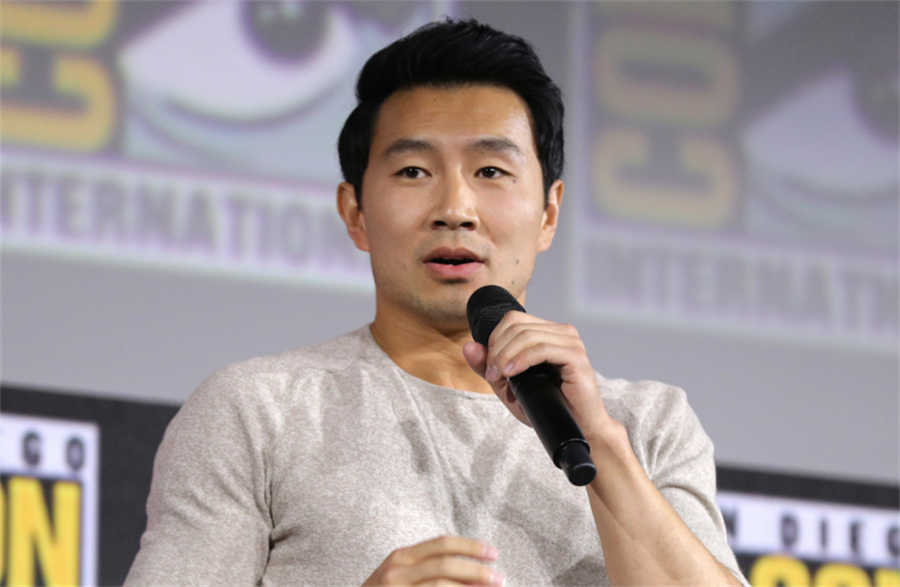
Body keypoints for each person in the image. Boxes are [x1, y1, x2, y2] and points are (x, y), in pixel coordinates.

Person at [125, 19, 747, 586]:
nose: (455, 209)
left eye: (491, 172)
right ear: (355, 213)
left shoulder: (649, 424)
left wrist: (602, 444)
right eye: (414, 172)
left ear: (549, 212)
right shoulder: (258, 412)